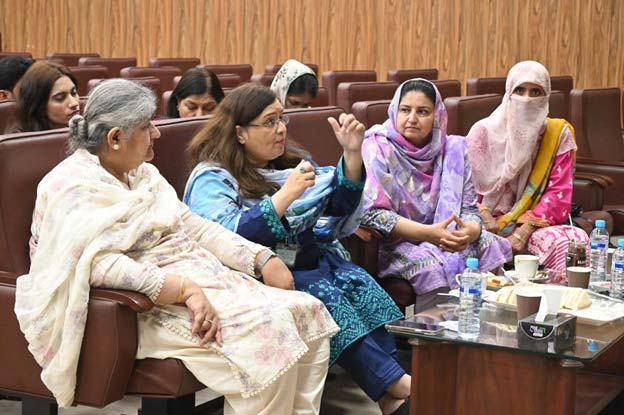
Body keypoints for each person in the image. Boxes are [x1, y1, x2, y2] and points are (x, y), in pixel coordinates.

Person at [15, 79, 338, 415]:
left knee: (308, 312)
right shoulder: (71, 187)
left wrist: (259, 257)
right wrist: (185, 290)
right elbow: (96, 265)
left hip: (196, 280)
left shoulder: (143, 174)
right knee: (270, 341)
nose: (156, 133)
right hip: (140, 307)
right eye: (146, 126)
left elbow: (193, 226)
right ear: (115, 139)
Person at [184, 83, 411, 415]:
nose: (281, 129)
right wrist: (285, 195)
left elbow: (335, 205)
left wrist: (351, 155)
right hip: (259, 274)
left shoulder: (287, 163)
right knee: (324, 296)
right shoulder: (213, 177)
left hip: (308, 259)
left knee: (358, 284)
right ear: (240, 132)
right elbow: (227, 238)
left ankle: (390, 394)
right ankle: (397, 385)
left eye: (282, 119)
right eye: (269, 122)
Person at [361, 79, 511, 306]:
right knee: (430, 268)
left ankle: (487, 318)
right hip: (395, 242)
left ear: (437, 116)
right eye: (405, 110)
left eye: (422, 112)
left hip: (446, 235)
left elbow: (469, 209)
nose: (412, 118)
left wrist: (471, 230)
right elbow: (373, 215)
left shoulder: (454, 150)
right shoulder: (377, 147)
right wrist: (429, 234)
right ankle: (434, 327)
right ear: (394, 111)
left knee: (488, 243)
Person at [466, 61, 588, 280]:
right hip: (483, 222)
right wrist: (483, 214)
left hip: (532, 223)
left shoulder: (558, 135)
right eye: (520, 90)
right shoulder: (482, 132)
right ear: (508, 93)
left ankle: (556, 299)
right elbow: (462, 188)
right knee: (477, 244)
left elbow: (558, 193)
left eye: (536, 92)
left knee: (573, 240)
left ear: (546, 96)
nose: (527, 98)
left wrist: (525, 230)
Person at [16, 61, 80, 132]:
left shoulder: (84, 131)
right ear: (38, 106)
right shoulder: (21, 138)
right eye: (60, 98)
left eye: (74, 93)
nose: (74, 103)